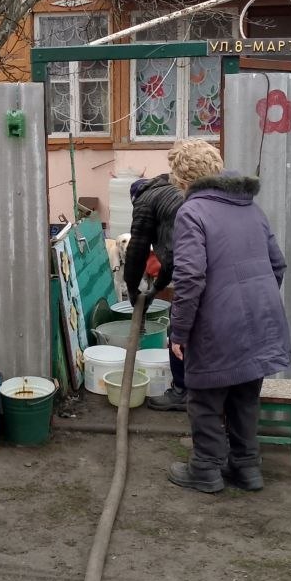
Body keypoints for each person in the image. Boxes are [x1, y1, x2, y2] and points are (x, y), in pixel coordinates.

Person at [164, 140, 291, 493]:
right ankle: (247, 467)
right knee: (245, 395)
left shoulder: (193, 212)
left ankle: (205, 469)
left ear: (181, 178)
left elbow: (189, 277)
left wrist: (180, 331)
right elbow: (277, 264)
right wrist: (251, 300)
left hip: (217, 324)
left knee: (204, 396)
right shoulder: (250, 208)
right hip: (262, 320)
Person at [121, 170, 187, 411]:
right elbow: (172, 252)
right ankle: (195, 390)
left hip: (191, 270)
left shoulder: (144, 202)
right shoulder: (171, 193)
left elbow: (137, 249)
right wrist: (156, 289)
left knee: (179, 325)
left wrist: (131, 288)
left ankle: (181, 392)